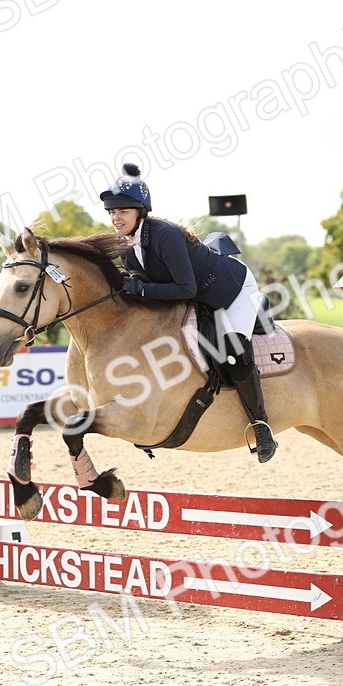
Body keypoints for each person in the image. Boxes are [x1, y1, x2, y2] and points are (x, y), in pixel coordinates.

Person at [101, 163, 277, 463]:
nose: (116, 218)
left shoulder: (164, 234)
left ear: (141, 211)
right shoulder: (125, 244)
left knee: (233, 349)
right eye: (112, 212)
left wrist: (141, 289)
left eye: (124, 212)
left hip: (229, 290)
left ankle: (261, 427)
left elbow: (185, 288)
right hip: (195, 296)